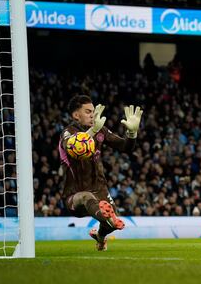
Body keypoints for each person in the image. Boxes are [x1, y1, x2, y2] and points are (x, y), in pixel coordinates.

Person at [60, 95, 143, 251]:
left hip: (99, 189)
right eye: (88, 111)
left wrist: (132, 134)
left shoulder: (101, 131)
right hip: (75, 193)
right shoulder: (68, 132)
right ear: (76, 115)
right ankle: (106, 216)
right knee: (86, 197)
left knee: (112, 224)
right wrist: (93, 130)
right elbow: (74, 147)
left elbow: (125, 147)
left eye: (94, 111)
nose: (93, 115)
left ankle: (100, 235)